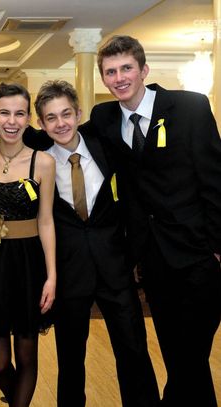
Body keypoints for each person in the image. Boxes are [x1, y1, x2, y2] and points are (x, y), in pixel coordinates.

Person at [90, 35, 221, 406]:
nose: (119, 78)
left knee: (190, 355)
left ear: (144, 69)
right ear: (103, 78)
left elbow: (215, 180)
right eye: (110, 72)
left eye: (126, 68)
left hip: (199, 256)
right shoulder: (104, 117)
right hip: (153, 260)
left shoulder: (190, 107)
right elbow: (64, 135)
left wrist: (217, 248)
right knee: (180, 356)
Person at [35, 80, 159, 406]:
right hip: (69, 273)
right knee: (70, 359)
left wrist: (132, 254)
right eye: (51, 118)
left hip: (115, 268)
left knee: (134, 350)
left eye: (66, 114)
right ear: (41, 124)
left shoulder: (106, 148)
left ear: (78, 114)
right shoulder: (39, 163)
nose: (61, 123)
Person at [0, 82, 56, 407]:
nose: (12, 121)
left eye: (19, 113)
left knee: (27, 355)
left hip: (29, 263)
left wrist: (52, 277)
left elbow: (46, 221)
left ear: (28, 118)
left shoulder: (43, 162)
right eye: (4, 113)